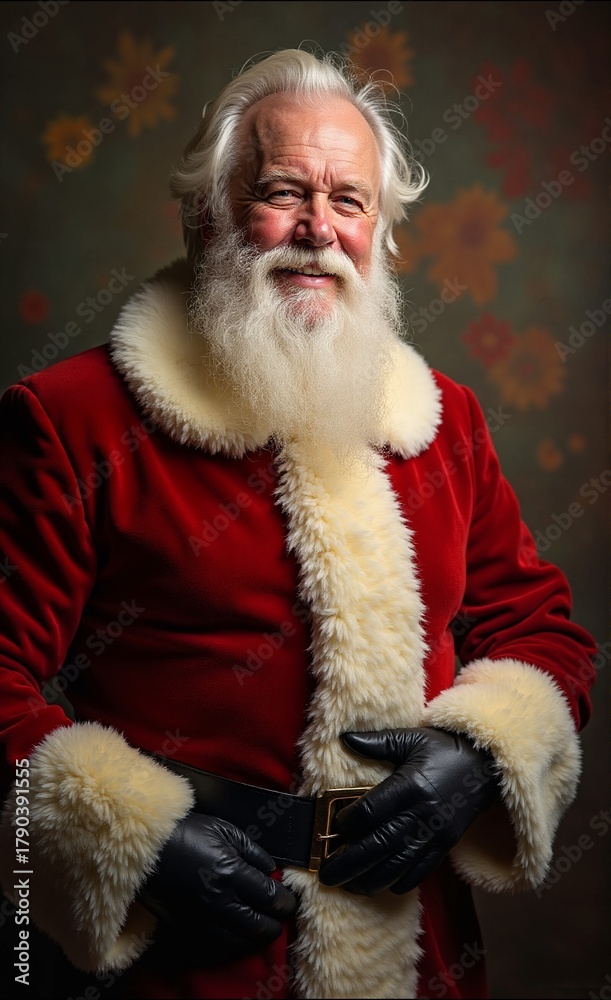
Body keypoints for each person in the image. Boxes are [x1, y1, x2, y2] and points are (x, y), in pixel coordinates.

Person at [0, 47, 597, 1000]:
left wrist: (481, 756)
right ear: (205, 214)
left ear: (379, 234)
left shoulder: (445, 421)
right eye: (282, 193)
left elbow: (541, 631)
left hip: (417, 946)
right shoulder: (71, 420)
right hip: (180, 956)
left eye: (349, 202)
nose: (319, 230)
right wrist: (128, 842)